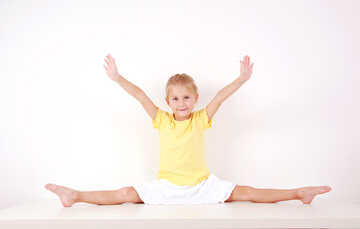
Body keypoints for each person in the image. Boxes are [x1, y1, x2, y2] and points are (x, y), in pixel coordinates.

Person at [45, 54, 331, 207]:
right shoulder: (161, 120)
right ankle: (76, 195)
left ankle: (299, 193)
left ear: (194, 98)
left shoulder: (201, 119)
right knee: (124, 194)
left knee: (248, 191)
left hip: (202, 185)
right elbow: (141, 96)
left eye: (186, 97)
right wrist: (118, 78)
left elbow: (219, 96)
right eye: (175, 98)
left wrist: (241, 80)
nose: (181, 103)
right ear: (168, 102)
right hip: (167, 188)